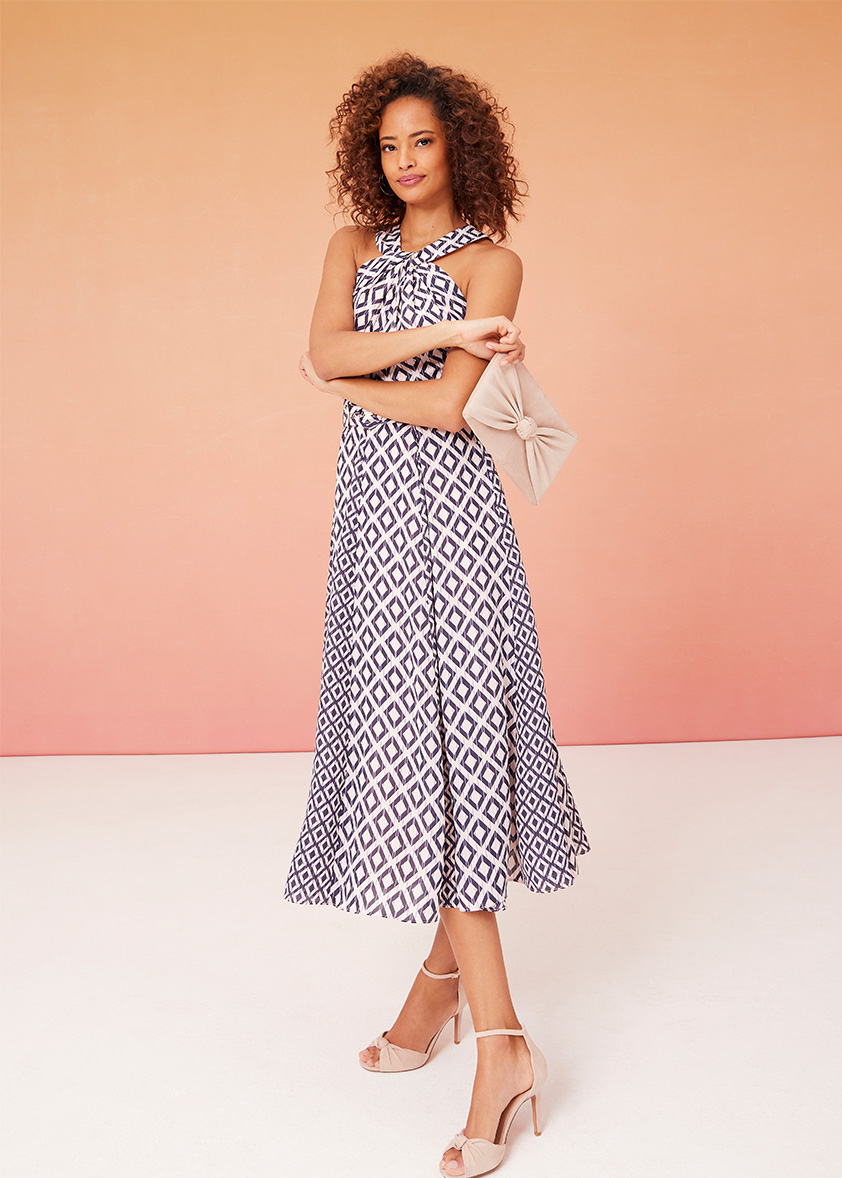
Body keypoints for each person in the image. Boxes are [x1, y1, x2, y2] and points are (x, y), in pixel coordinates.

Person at [283, 53, 590, 1177]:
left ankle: (500, 1041)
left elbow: (449, 413)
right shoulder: (351, 250)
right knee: (420, 753)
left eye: (422, 141)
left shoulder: (495, 264)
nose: (404, 161)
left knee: (454, 763)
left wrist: (361, 381)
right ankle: (440, 987)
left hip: (456, 546)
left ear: (460, 144)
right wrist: (415, 348)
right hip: (370, 533)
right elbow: (322, 345)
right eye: (387, 144)